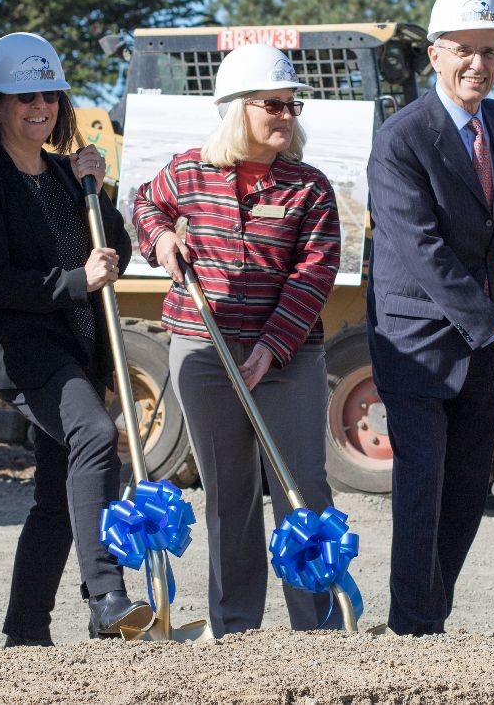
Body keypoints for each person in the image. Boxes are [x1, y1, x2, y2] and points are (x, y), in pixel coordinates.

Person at [131, 44, 341, 637]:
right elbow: (144, 203)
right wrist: (160, 242)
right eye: (274, 104)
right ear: (237, 110)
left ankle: (317, 632)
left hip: (289, 359)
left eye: (292, 105)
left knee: (302, 490)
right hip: (203, 352)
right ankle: (236, 634)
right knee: (229, 497)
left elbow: (314, 272)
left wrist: (272, 347)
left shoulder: (309, 188)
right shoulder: (187, 171)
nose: (287, 116)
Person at [365, 0, 494, 636]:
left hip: (474, 344)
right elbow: (421, 250)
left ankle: (426, 612)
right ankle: (414, 626)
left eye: (490, 51)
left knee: (471, 482)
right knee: (423, 485)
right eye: (465, 51)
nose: (479, 64)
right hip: (415, 339)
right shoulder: (401, 140)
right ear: (436, 56)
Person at [0, 32, 151, 645]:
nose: (38, 106)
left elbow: (112, 252)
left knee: (55, 493)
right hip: (25, 350)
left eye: (48, 94)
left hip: (79, 345)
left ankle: (24, 632)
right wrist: (76, 280)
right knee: (95, 434)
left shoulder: (66, 175)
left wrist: (100, 192)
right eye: (22, 97)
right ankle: (109, 595)